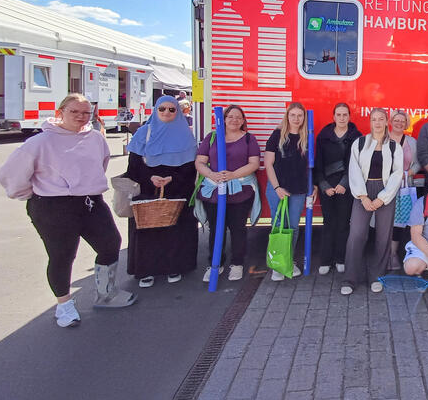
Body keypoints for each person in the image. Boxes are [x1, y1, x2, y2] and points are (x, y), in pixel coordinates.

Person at [0, 93, 136, 328]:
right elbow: (10, 175)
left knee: (110, 243)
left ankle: (106, 293)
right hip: (53, 206)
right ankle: (64, 305)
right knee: (63, 255)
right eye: (75, 112)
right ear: (60, 112)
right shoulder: (39, 142)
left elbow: (99, 164)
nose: (81, 117)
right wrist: (34, 195)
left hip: (91, 201)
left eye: (86, 113)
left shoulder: (95, 138)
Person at [124, 95, 199, 288]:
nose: (166, 112)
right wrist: (150, 178)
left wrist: (172, 179)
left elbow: (191, 167)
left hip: (177, 189)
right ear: (156, 110)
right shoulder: (143, 133)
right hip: (147, 190)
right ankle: (146, 270)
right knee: (148, 232)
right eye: (162, 109)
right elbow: (133, 165)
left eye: (171, 109)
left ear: (178, 112)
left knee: (176, 230)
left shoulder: (185, 135)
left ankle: (175, 267)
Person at [341, 108, 403, 295]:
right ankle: (350, 279)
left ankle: (377, 277)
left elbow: (397, 174)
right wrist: (363, 196)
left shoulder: (394, 147)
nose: (377, 123)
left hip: (385, 192)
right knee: (357, 235)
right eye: (374, 119)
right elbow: (354, 170)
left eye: (381, 119)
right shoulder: (359, 143)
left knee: (383, 236)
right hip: (363, 191)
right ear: (370, 122)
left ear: (386, 122)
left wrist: (382, 198)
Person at [195, 105, 261, 282]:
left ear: (243, 120)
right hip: (215, 191)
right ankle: (215, 263)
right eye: (231, 117)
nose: (234, 120)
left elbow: (254, 163)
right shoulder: (212, 138)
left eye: (239, 117)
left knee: (238, 229)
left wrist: (233, 175)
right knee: (216, 229)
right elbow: (200, 162)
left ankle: (237, 263)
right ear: (223, 119)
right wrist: (212, 175)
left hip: (241, 191)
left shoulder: (249, 139)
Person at [264, 102, 317, 281]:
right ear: (287, 116)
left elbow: (311, 167)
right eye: (293, 115)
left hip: (299, 190)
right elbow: (268, 164)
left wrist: (314, 185)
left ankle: (288, 260)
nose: (296, 119)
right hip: (277, 189)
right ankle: (277, 264)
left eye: (299, 116)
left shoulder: (307, 137)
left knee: (293, 227)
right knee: (278, 225)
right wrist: (277, 187)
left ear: (304, 118)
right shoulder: (277, 135)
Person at [314, 103, 361, 275]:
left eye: (345, 115)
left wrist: (344, 184)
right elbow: (318, 163)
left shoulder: (357, 137)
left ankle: (341, 259)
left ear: (349, 116)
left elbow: (356, 165)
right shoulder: (323, 136)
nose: (342, 118)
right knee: (329, 223)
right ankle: (326, 260)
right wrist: (324, 186)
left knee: (343, 224)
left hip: (346, 187)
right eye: (338, 115)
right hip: (327, 186)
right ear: (333, 117)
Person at [388, 109, 421, 270]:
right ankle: (384, 254)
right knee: (384, 221)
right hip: (386, 188)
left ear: (406, 124)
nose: (399, 123)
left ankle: (394, 254)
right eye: (396, 120)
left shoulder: (412, 142)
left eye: (403, 121)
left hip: (405, 187)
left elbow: (418, 163)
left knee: (400, 223)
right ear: (391, 121)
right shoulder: (382, 140)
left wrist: (408, 173)